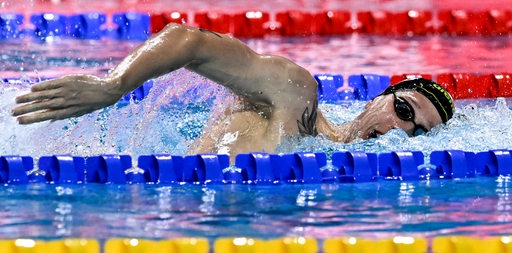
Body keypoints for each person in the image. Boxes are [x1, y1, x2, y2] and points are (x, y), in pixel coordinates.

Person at [11, 23, 455, 158]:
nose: (400, 130)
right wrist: (113, 86)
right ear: (379, 97)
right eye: (402, 108)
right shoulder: (297, 97)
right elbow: (190, 41)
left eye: (417, 132)